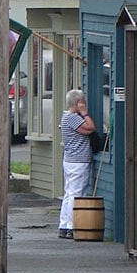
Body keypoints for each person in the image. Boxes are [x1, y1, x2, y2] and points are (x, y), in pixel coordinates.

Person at [58, 89, 95, 239]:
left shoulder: (66, 117)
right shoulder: (72, 118)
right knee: (76, 194)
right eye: (82, 101)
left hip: (70, 159)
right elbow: (90, 128)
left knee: (69, 193)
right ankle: (72, 226)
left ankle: (64, 225)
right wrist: (84, 113)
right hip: (78, 161)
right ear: (78, 102)